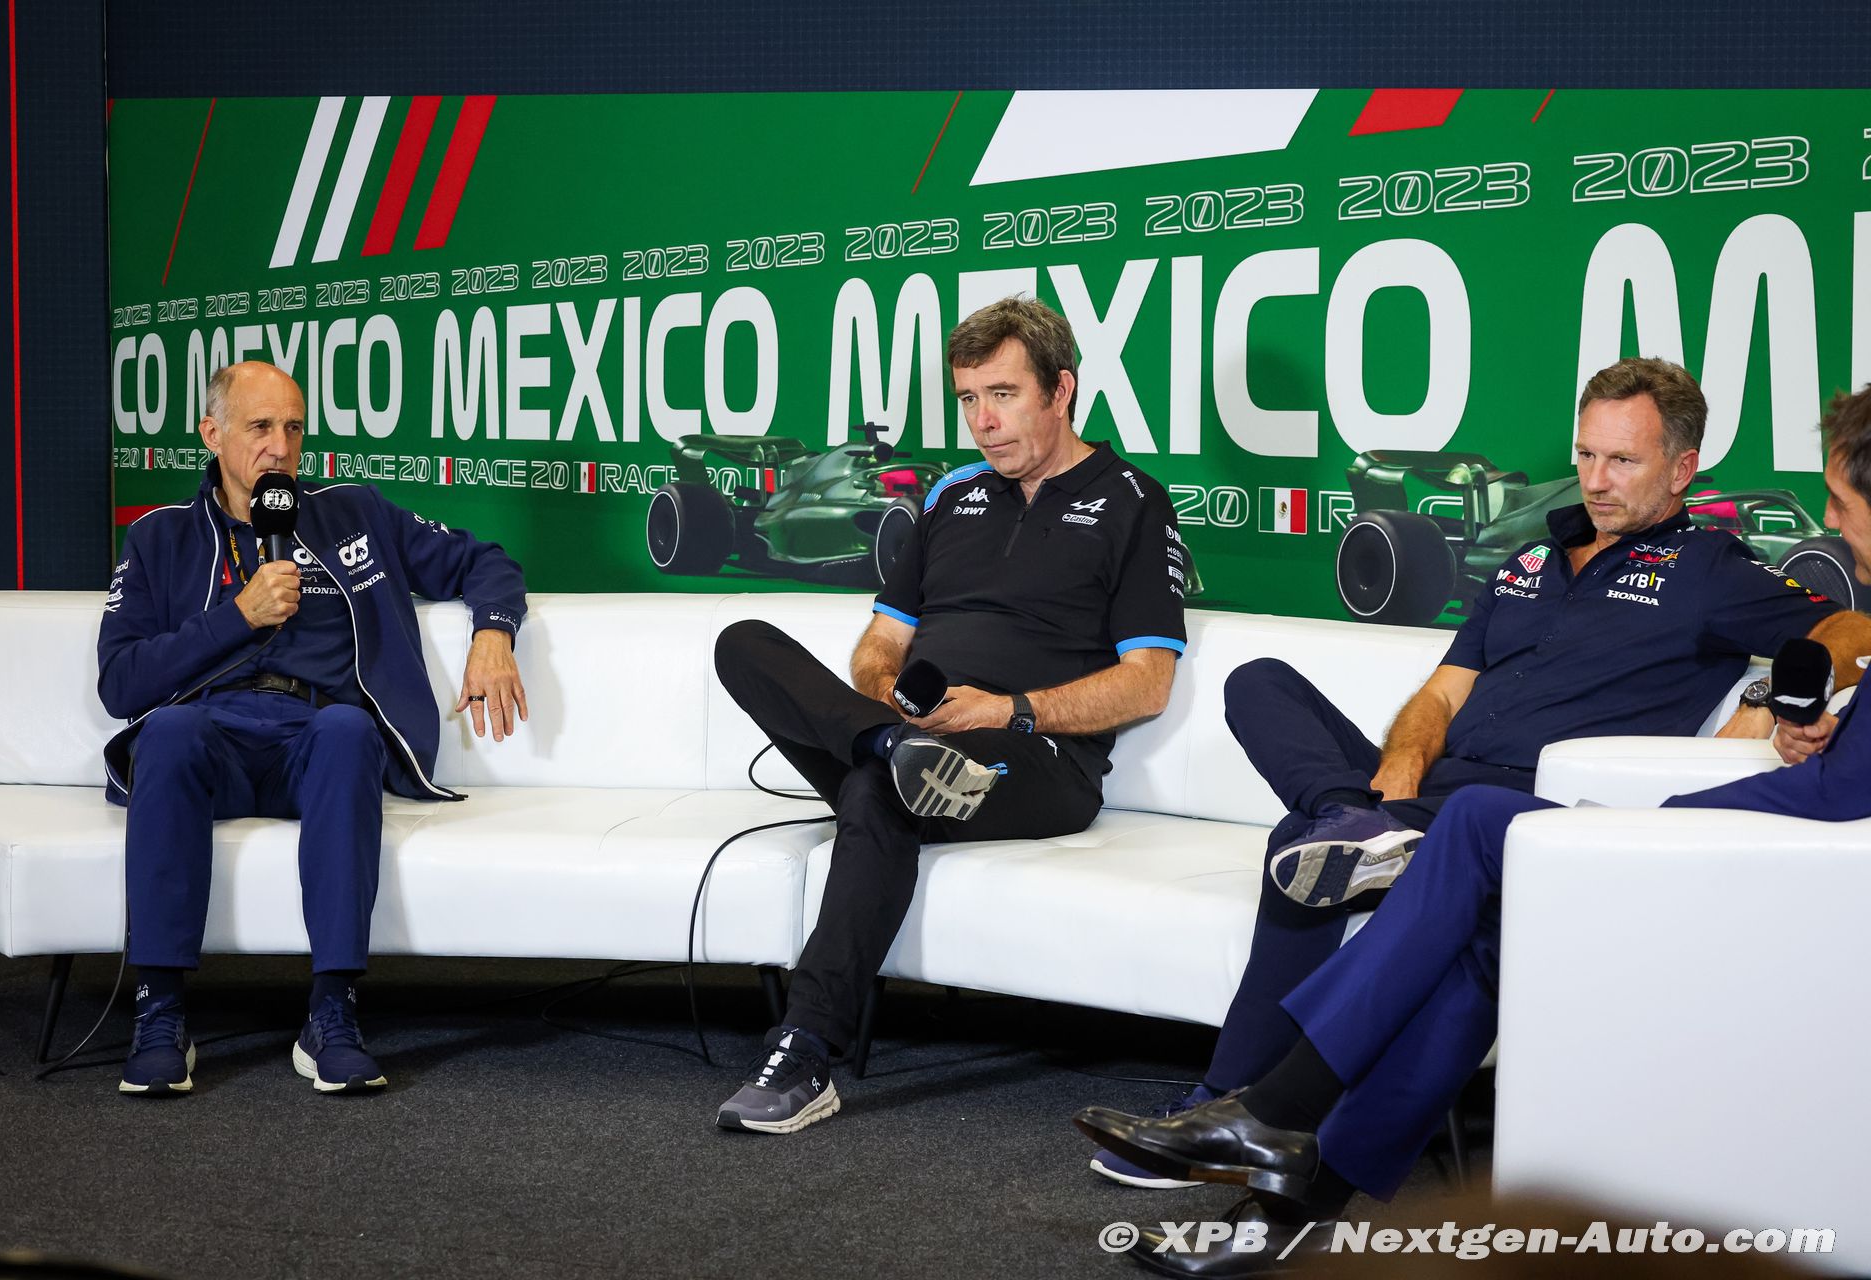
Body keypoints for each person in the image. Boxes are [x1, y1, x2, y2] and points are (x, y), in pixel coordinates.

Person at [1074, 383, 1871, 1278]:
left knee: (1333, 850)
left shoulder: (1712, 568)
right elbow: (1445, 690)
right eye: (1586, 454)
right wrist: (1401, 764)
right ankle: (1349, 827)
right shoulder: (1530, 561)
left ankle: (1246, 1110)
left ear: (1683, 469)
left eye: (1623, 460)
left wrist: (1771, 695)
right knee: (1266, 696)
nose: (1596, 479)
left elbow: (1844, 626)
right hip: (1430, 794)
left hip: (1537, 810)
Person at [711, 296, 1188, 1132]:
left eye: (1003, 394)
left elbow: (1148, 683)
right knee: (743, 643)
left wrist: (1006, 708)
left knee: (878, 792)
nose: (983, 422)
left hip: (1036, 759)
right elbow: (879, 644)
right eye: (969, 399)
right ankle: (889, 748)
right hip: (913, 733)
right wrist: (887, 699)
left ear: (1061, 390)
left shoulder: (1133, 503)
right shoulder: (951, 496)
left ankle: (806, 1048)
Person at [98, 361, 529, 1096]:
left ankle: (333, 1012)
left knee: (349, 732)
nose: (281, 446)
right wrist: (239, 615)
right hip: (212, 739)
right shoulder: (158, 538)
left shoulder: (353, 514)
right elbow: (120, 683)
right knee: (165, 733)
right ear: (212, 434)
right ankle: (160, 1010)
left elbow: (485, 560)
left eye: (293, 428)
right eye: (261, 427)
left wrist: (494, 632)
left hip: (314, 737)